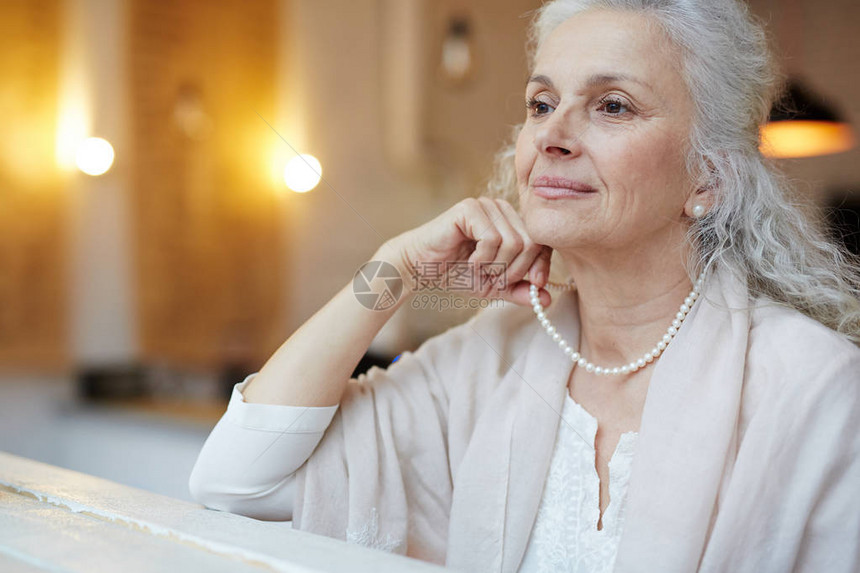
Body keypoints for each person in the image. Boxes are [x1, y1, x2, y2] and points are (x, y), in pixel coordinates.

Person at [189, 0, 860, 571]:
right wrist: (395, 270)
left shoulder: (817, 387)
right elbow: (237, 480)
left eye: (613, 106)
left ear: (707, 179)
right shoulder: (485, 360)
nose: (552, 136)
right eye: (542, 103)